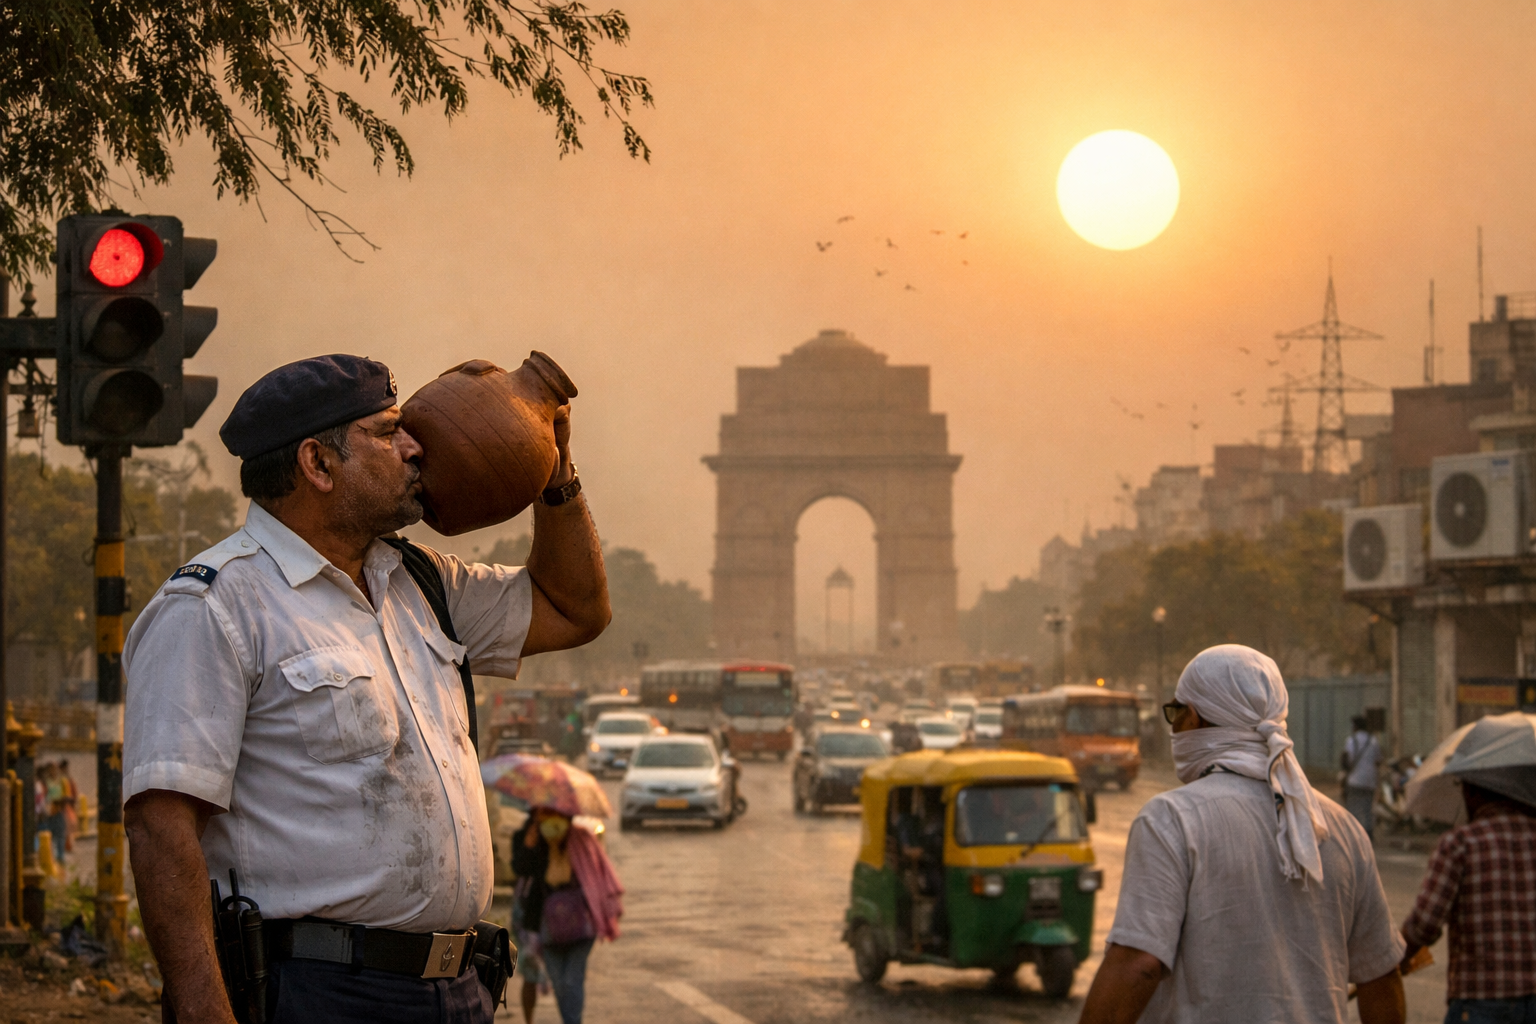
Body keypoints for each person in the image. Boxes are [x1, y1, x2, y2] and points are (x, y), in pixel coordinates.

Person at [121, 354, 611, 1024]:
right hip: (321, 992)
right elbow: (161, 826)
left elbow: (575, 608)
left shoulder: (423, 584)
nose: (416, 447)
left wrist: (555, 473)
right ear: (317, 465)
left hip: (461, 989)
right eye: (387, 433)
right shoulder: (216, 606)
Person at [1078, 644, 1406, 1024]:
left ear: (1195, 719)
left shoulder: (1171, 819)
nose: (1174, 727)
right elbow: (1381, 976)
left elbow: (1138, 965)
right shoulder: (1344, 828)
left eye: (1176, 714)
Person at [1399, 778, 1536, 1024]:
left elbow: (1425, 925)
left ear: (1472, 791)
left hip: (1482, 1001)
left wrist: (1399, 959)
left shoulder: (1461, 843)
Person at [510, 808, 622, 1024]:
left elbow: (596, 877)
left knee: (572, 980)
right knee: (560, 983)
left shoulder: (580, 839)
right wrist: (530, 845)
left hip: (582, 925)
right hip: (546, 926)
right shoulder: (529, 837)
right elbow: (520, 869)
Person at [1343, 714, 1383, 839]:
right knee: (1368, 808)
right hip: (1370, 780)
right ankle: (1368, 832)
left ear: (1355, 726)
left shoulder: (1351, 741)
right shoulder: (1373, 740)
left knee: (1354, 807)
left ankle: (1354, 834)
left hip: (1355, 780)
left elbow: (1347, 760)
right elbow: (1378, 760)